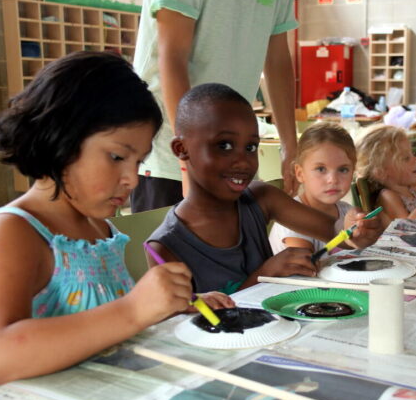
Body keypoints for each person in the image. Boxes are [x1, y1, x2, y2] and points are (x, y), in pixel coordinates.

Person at [0, 52, 230, 386]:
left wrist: (170, 304)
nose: (133, 180)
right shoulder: (14, 231)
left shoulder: (100, 228)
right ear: (61, 137)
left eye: (138, 162)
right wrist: (134, 310)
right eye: (117, 156)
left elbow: (106, 315)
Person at [145, 83, 383, 294]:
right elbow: (189, 324)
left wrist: (353, 230)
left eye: (250, 147)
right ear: (181, 149)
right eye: (224, 145)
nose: (242, 161)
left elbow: (333, 230)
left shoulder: (261, 198)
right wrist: (265, 274)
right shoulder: (165, 246)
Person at [132, 0, 299, 212]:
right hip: (171, 150)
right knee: (169, 247)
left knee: (233, 248)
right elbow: (173, 57)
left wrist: (290, 147)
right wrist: (189, 158)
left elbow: (278, 59)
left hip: (233, 152)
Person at [269, 122, 355, 254]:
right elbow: (304, 270)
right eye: (321, 169)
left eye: (343, 169)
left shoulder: (347, 212)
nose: (333, 179)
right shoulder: (293, 219)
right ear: (300, 173)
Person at [356, 125, 416, 227]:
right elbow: (408, 227)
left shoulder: (415, 188)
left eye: (412, 153)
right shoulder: (388, 196)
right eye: (406, 158)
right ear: (381, 172)